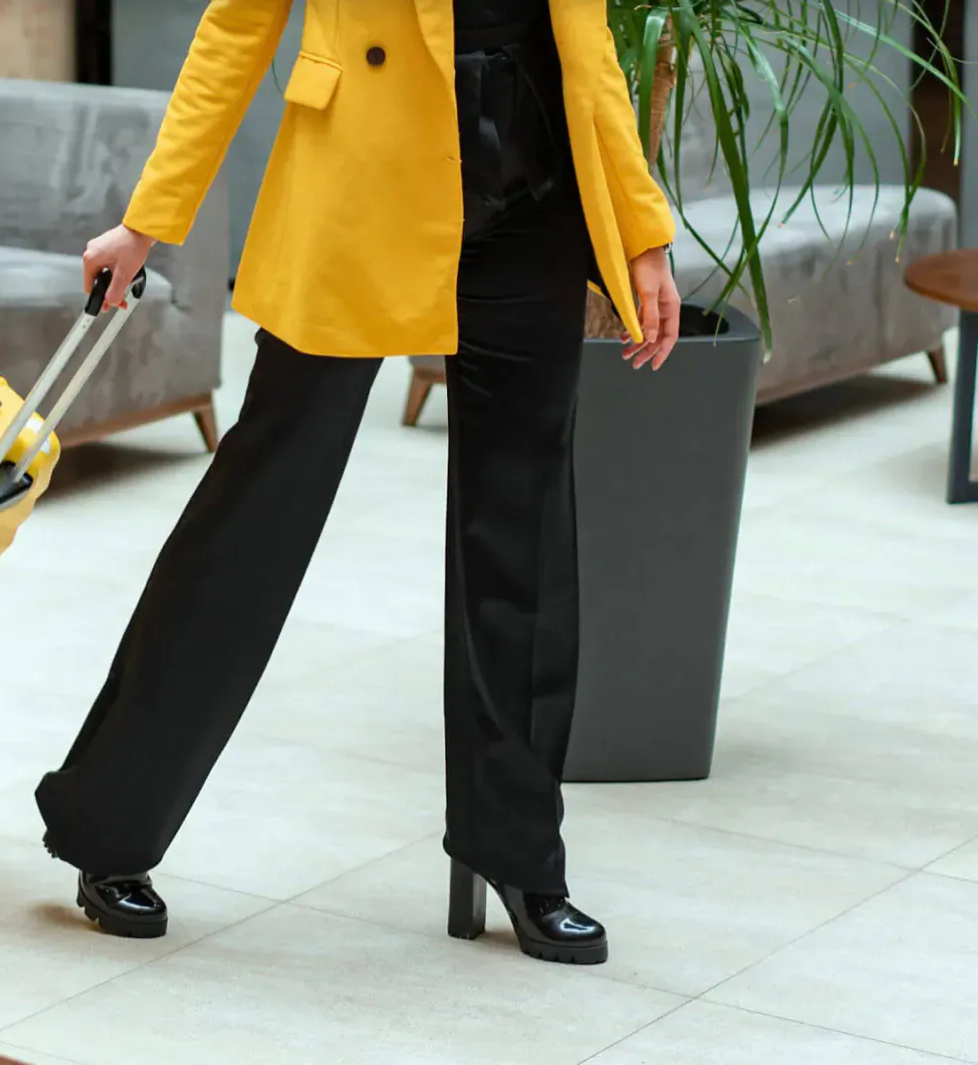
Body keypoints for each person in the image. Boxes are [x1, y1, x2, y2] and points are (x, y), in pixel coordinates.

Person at [34, 0, 681, 966]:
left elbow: (587, 51)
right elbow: (233, 33)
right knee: (257, 512)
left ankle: (519, 854)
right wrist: (148, 220)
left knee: (527, 536)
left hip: (531, 203)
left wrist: (638, 228)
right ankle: (109, 827)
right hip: (362, 194)